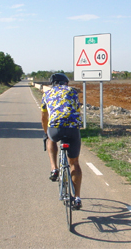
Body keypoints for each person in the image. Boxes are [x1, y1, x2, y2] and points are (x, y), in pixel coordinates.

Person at [41, 73, 82, 210]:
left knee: (50, 138)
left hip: (56, 129)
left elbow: (44, 117)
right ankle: (77, 198)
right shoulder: (72, 91)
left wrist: (46, 132)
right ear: (66, 83)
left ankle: (54, 168)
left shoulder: (47, 94)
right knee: (74, 163)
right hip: (72, 129)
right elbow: (77, 110)